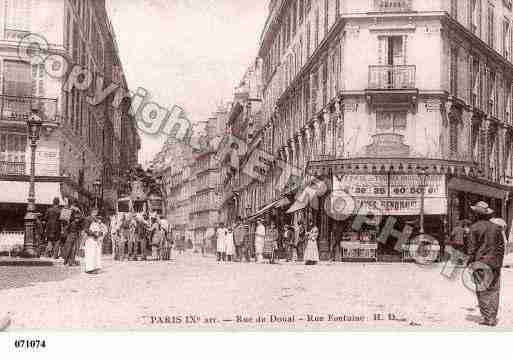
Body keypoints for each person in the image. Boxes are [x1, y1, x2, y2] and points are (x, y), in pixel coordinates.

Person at [467, 201, 505, 327]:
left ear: (476, 215)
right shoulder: (496, 228)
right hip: (495, 263)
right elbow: (501, 247)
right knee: (494, 290)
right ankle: (492, 317)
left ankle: (487, 317)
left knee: (482, 290)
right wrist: (499, 262)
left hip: (481, 262)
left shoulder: (474, 228)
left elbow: (471, 249)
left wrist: (470, 263)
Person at [84, 210, 107, 274]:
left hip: (96, 239)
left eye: (96, 212)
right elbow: (86, 229)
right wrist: (94, 234)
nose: (95, 214)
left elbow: (101, 228)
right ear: (92, 212)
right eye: (94, 212)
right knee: (90, 254)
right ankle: (89, 269)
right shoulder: (88, 219)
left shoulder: (96, 220)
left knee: (95, 254)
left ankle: (95, 267)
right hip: (90, 238)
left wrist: (100, 234)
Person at [62, 199, 83, 266]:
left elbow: (64, 220)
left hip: (69, 230)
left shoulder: (66, 209)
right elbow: (80, 219)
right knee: (73, 247)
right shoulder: (76, 210)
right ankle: (71, 261)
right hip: (74, 230)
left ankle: (66, 260)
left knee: (68, 246)